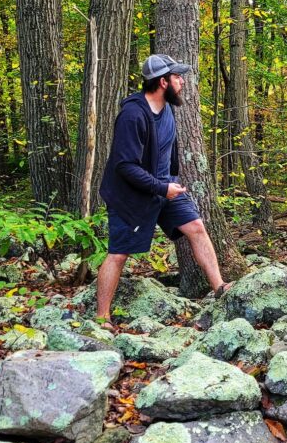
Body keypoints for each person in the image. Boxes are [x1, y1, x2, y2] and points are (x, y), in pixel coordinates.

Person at [97, 53, 230, 322]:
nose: (182, 81)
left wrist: (171, 180)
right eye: (177, 76)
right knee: (119, 254)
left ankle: (220, 287)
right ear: (163, 82)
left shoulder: (167, 108)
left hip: (164, 187)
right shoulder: (132, 116)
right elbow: (125, 166)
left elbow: (168, 149)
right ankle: (102, 316)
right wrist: (161, 187)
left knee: (196, 227)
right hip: (130, 195)